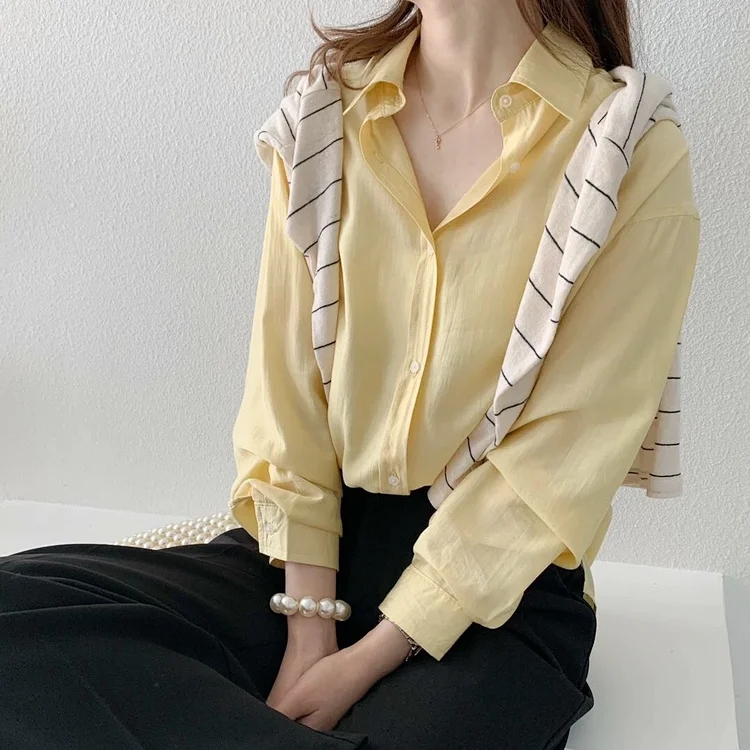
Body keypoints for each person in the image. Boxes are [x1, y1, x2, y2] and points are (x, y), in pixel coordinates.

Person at [0, 1, 700, 748]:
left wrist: (364, 661)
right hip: (312, 557)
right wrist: (309, 630)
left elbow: (560, 459)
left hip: (499, 598)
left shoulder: (627, 152)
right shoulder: (325, 116)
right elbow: (285, 398)